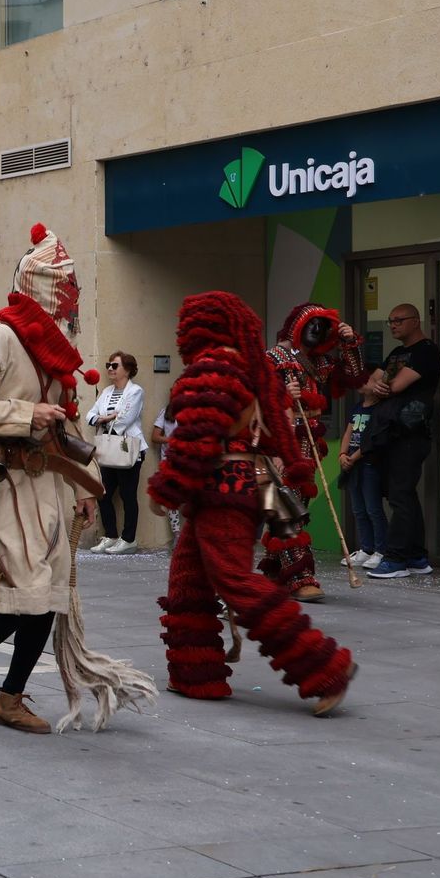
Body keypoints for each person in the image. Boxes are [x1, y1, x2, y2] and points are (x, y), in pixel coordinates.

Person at [0, 224, 124, 734]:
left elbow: (69, 422)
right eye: (63, 287)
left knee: (51, 589)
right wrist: (25, 413)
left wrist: (85, 485)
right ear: (40, 286)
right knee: (29, 585)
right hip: (6, 476)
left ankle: (11, 696)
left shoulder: (57, 349)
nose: (70, 299)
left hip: (49, 480)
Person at [149, 291, 356, 717]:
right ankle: (196, 675)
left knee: (235, 580)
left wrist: (164, 491)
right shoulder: (248, 366)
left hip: (220, 490)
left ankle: (324, 667)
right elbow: (279, 425)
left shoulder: (214, 368)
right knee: (187, 583)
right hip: (233, 488)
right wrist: (293, 464)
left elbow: (196, 441)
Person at [263, 303, 367, 601]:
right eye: (313, 325)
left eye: (324, 327)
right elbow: (257, 399)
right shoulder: (272, 358)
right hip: (282, 443)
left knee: (292, 507)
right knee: (288, 508)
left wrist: (349, 342)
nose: (318, 331)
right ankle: (299, 576)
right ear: (297, 327)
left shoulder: (318, 361)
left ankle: (275, 572)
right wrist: (284, 397)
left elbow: (355, 375)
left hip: (309, 444)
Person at [363, 303, 440, 578]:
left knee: (400, 494)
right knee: (402, 493)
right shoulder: (396, 353)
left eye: (399, 320)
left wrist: (380, 385)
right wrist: (377, 385)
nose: (393, 325)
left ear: (415, 321)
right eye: (390, 321)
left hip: (411, 433)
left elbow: (393, 385)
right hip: (391, 431)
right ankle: (416, 556)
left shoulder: (426, 351)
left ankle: (396, 558)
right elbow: (371, 384)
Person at [84, 351, 146, 554]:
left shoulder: (135, 391)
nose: (110, 369)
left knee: (128, 495)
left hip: (128, 449)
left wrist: (107, 420)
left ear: (127, 370)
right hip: (108, 450)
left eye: (115, 365)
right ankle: (110, 536)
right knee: (103, 493)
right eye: (108, 365)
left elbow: (125, 420)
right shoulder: (106, 391)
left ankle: (129, 539)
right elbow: (90, 415)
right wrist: (106, 418)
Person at [337, 371, 386, 570]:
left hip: (368, 464)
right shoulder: (357, 407)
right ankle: (366, 548)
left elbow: (372, 440)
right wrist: (342, 454)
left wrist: (354, 456)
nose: (363, 382)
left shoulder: (380, 409)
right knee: (358, 509)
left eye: (370, 380)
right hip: (353, 465)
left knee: (373, 508)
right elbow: (348, 432)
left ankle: (381, 550)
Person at [150, 401, 181, 539]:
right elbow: (155, 436)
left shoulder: (194, 412)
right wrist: (172, 440)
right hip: (169, 461)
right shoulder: (166, 412)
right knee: (171, 498)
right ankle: (177, 534)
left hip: (189, 461)